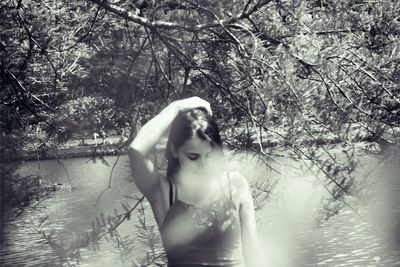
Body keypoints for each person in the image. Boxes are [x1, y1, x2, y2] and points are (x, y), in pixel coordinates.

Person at [128, 97, 260, 267]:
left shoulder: (235, 184)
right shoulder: (164, 192)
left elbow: (253, 253)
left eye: (209, 155)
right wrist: (176, 107)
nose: (203, 165)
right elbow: (136, 151)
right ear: (175, 151)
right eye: (193, 157)